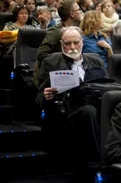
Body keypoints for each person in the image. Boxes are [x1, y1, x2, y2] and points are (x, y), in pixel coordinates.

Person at [35, 26, 104, 166]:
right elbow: (38, 97)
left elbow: (106, 86)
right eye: (67, 44)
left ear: (82, 42)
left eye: (76, 42)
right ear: (61, 44)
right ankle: (94, 163)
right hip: (67, 108)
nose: (72, 47)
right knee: (88, 111)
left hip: (95, 104)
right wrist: (46, 95)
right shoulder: (51, 62)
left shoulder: (96, 62)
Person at [33, 0, 83, 87]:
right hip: (55, 76)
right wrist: (65, 57)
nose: (80, 12)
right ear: (72, 14)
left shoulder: (79, 30)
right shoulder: (55, 32)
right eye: (78, 9)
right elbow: (41, 55)